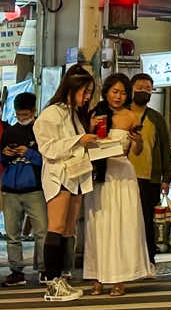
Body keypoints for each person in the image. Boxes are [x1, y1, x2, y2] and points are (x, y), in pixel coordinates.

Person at [83, 73, 151, 296]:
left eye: (123, 92)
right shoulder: (95, 114)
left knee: (121, 226)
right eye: (115, 91)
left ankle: (119, 279)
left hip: (122, 174)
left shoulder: (132, 117)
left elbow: (136, 151)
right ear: (106, 92)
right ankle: (97, 277)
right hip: (100, 176)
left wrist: (138, 142)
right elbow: (85, 146)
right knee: (99, 226)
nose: (119, 96)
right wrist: (91, 129)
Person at [34, 70, 99, 302]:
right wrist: (79, 140)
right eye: (85, 92)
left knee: (69, 230)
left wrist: (87, 138)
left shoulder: (73, 114)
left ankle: (61, 278)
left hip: (76, 177)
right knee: (57, 227)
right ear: (72, 88)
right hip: (59, 176)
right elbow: (48, 147)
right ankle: (52, 283)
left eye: (90, 93)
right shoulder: (52, 113)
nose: (87, 97)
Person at [127, 74, 171, 270]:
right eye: (140, 87)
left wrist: (166, 178)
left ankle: (148, 260)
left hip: (150, 178)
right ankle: (128, 260)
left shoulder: (156, 118)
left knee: (146, 221)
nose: (144, 90)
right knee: (125, 221)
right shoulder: (121, 114)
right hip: (124, 177)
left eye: (147, 88)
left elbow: (164, 147)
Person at [2, 92, 46, 286]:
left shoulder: (41, 130)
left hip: (35, 189)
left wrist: (29, 153)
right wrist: (5, 153)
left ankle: (45, 269)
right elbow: (1, 159)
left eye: (25, 114)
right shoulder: (10, 131)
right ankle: (16, 271)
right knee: (12, 234)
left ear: (34, 111)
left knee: (42, 231)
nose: (22, 118)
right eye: (19, 114)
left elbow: (47, 160)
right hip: (11, 189)